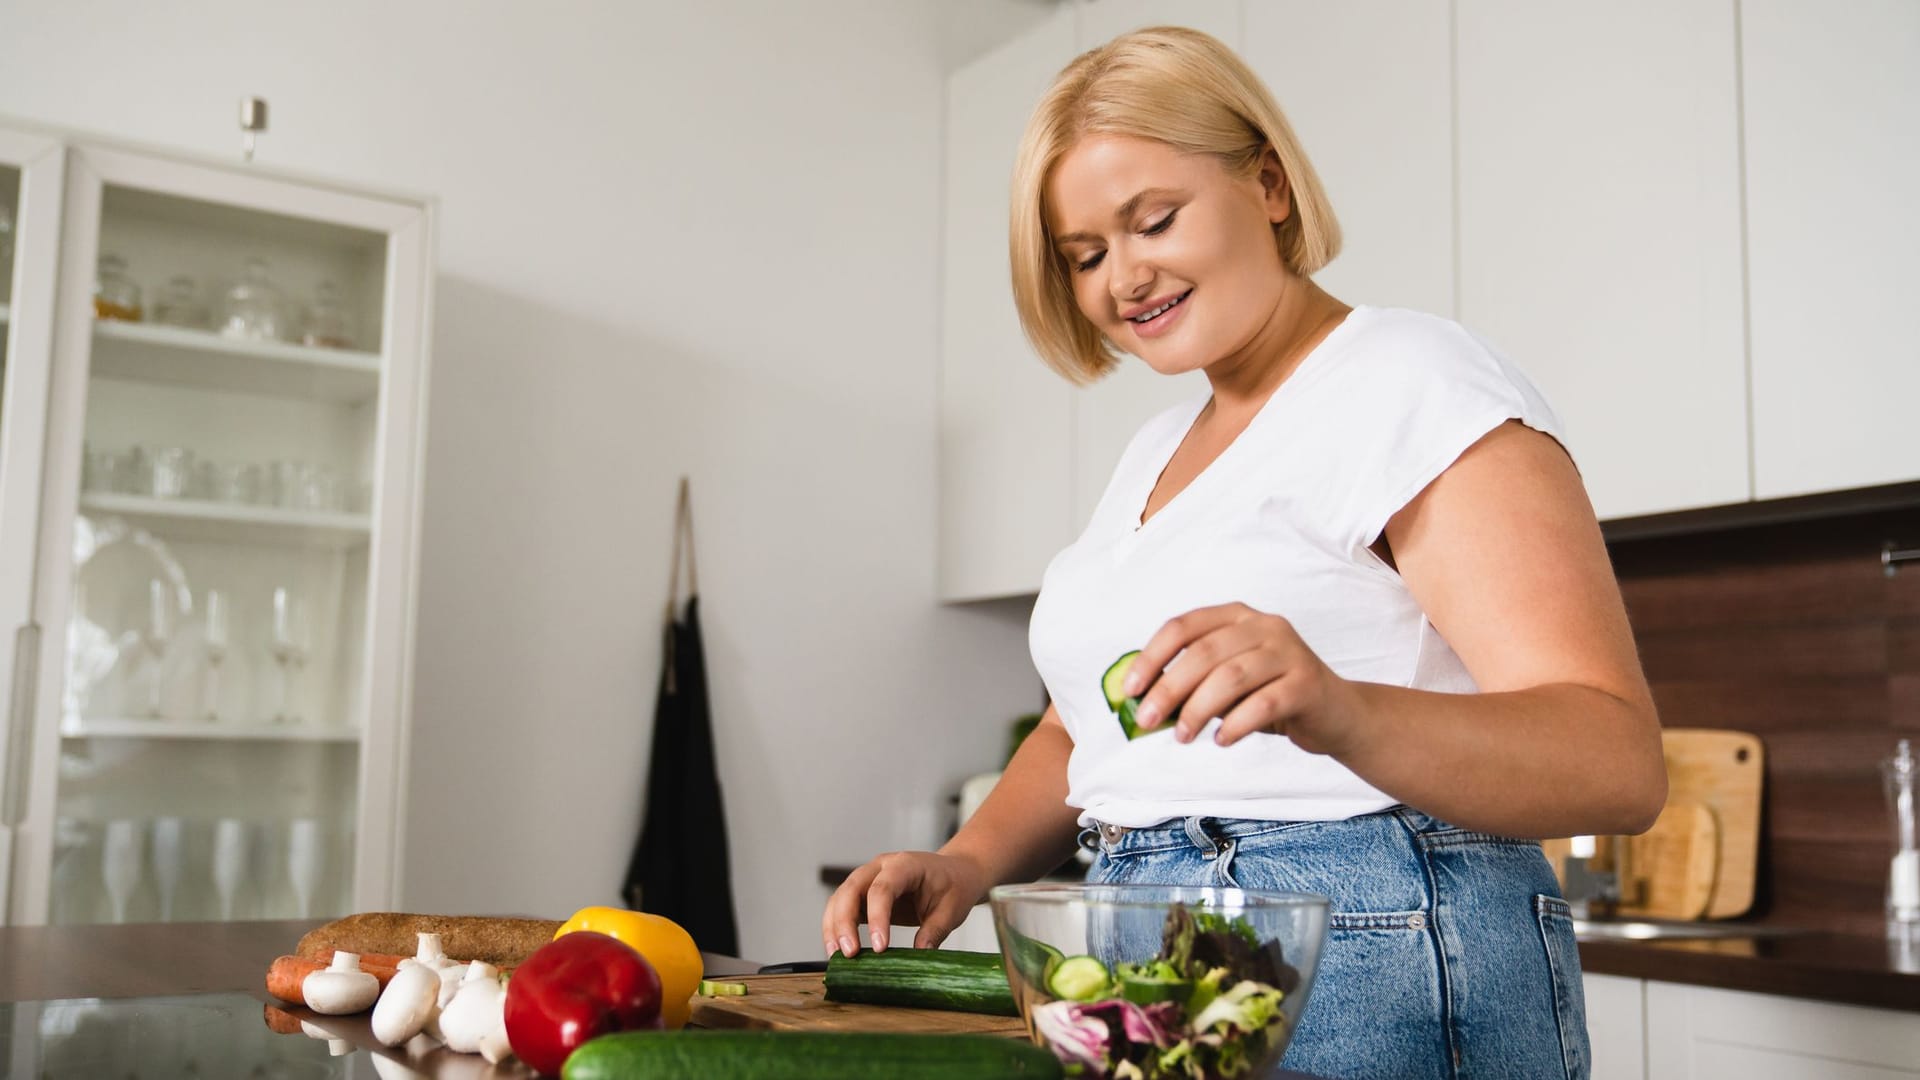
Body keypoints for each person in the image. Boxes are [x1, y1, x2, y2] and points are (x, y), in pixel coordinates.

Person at [824, 26, 1664, 1080]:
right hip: (1145, 951)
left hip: (1369, 943)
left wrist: (1340, 706)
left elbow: (1615, 759)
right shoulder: (1154, 452)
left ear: (1267, 184)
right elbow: (1084, 722)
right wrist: (967, 863)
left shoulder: (1412, 381)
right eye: (1085, 255)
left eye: (1153, 221)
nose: (1123, 278)